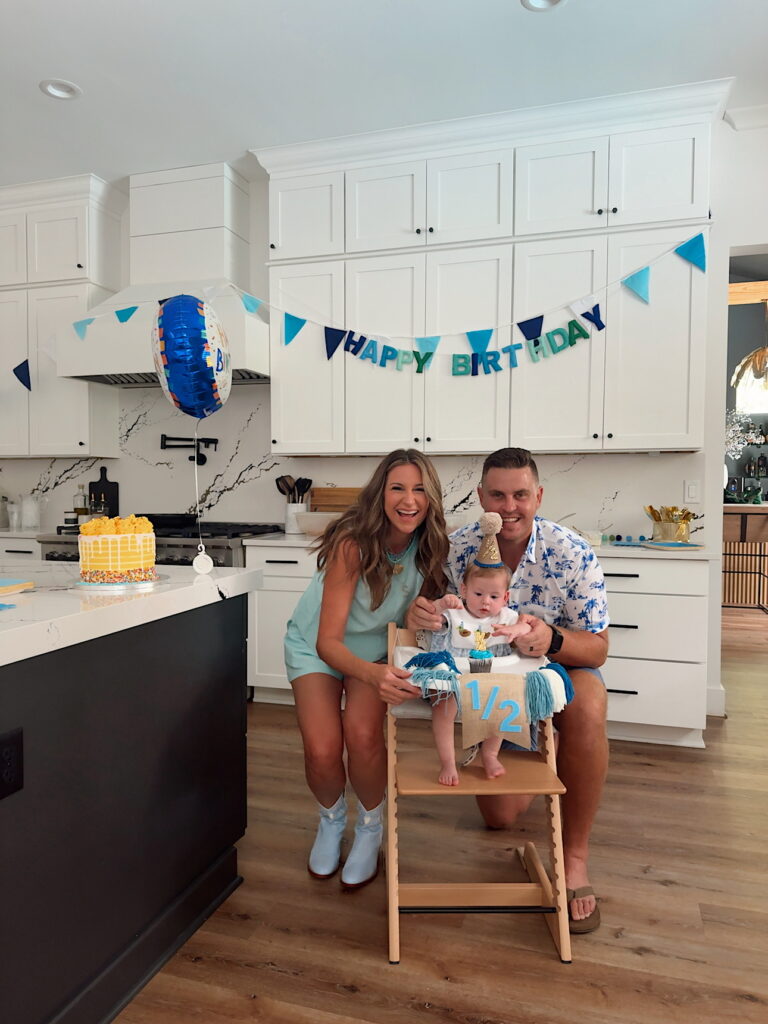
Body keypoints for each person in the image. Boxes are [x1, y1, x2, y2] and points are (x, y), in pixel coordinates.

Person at [407, 447, 609, 933]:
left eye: (520, 495)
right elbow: (429, 615)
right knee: (498, 816)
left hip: (554, 670)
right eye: (497, 495)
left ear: (538, 495)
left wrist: (551, 639)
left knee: (587, 707)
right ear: (481, 497)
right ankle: (541, 742)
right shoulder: (455, 548)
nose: (509, 506)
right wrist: (421, 613)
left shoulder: (572, 552)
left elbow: (598, 648)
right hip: (487, 681)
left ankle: (575, 860)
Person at [284, 449, 449, 890]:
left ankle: (371, 827)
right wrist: (375, 677)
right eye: (398, 488)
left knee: (362, 737)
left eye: (419, 489)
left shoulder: (432, 547)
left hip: (376, 651)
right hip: (317, 647)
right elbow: (327, 643)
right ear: (380, 494)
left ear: (431, 498)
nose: (409, 500)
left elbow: (416, 619)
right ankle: (331, 820)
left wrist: (418, 620)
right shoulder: (351, 544)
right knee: (322, 749)